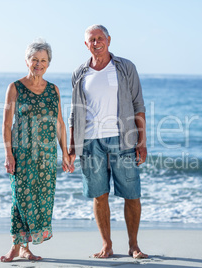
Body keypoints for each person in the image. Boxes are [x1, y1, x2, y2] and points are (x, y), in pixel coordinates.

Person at [69, 24, 148, 259]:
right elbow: (75, 111)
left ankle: (134, 245)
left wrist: (141, 142)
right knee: (99, 194)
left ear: (109, 40)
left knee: (131, 194)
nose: (96, 42)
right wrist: (73, 145)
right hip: (91, 141)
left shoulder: (125, 68)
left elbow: (138, 106)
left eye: (100, 38)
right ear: (86, 45)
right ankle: (107, 245)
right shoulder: (79, 73)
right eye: (91, 39)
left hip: (122, 139)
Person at [0, 39, 72, 262]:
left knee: (39, 200)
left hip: (46, 157)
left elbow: (59, 123)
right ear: (27, 61)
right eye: (35, 59)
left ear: (48, 64)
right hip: (22, 155)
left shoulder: (53, 90)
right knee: (19, 199)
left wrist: (65, 153)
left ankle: (25, 248)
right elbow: (6, 124)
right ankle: (15, 245)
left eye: (43, 60)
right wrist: (8, 154)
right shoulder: (15, 87)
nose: (39, 64)